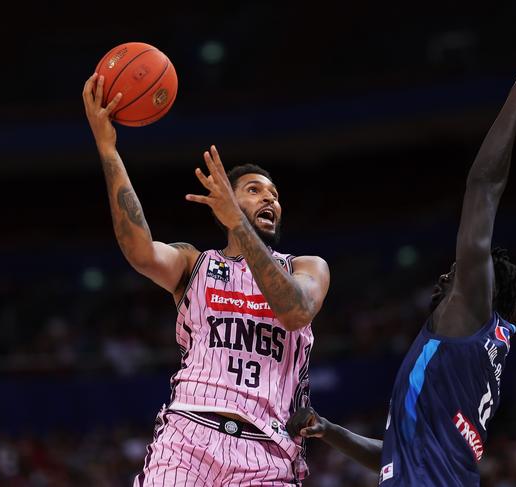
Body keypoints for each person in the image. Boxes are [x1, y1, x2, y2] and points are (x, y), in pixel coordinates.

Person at [286, 60, 516, 486]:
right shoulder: (471, 351)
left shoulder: (470, 314)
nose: (443, 279)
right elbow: (394, 455)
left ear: (481, 285)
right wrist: (329, 430)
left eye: (456, 272)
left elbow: (483, 188)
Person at [82, 73, 330, 486]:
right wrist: (108, 149)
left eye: (274, 194)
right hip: (187, 440)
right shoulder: (193, 264)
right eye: (254, 190)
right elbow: (138, 250)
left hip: (267, 454)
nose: (271, 198)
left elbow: (294, 311)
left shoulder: (307, 266)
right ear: (224, 205)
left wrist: (241, 223)